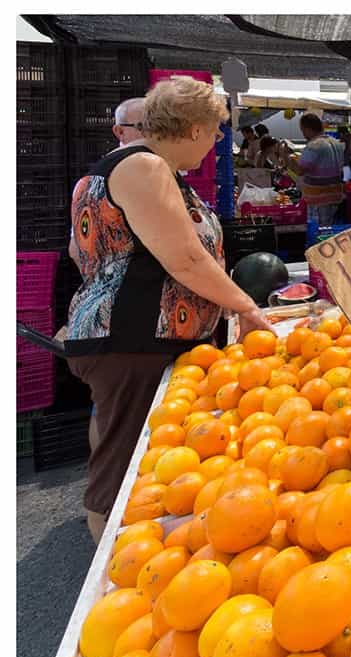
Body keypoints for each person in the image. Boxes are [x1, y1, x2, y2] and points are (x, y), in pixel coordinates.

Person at [64, 76, 273, 542]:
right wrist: (245, 307)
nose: (217, 141)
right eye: (216, 130)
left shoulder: (128, 167)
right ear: (195, 128)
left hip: (126, 339)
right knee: (122, 474)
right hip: (134, 338)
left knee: (119, 441)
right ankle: (113, 572)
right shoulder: (144, 168)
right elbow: (185, 258)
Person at [295, 113, 346, 225]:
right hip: (336, 196)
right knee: (331, 232)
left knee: (320, 234)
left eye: (302, 130)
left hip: (318, 200)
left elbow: (299, 170)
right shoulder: (336, 143)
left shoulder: (314, 145)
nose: (303, 133)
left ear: (307, 128)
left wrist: (286, 156)